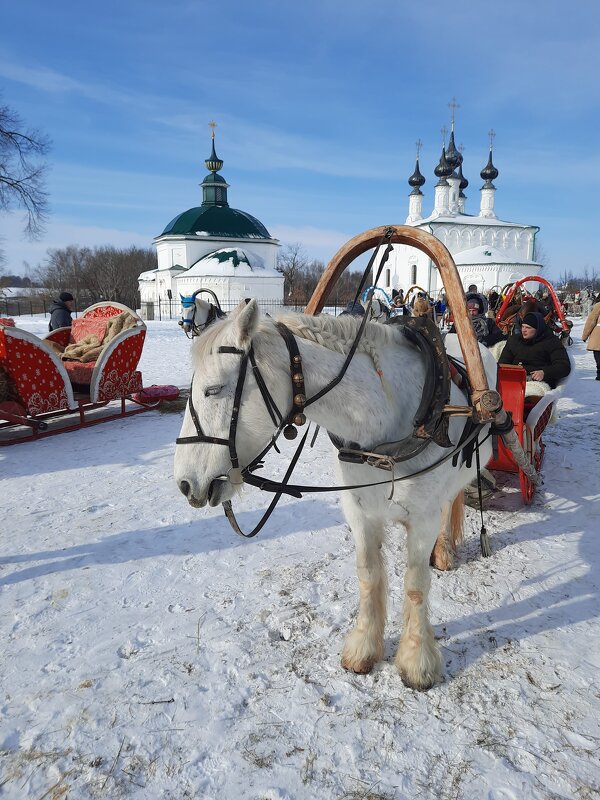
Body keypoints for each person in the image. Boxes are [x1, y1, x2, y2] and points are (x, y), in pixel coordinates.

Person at [499, 311, 571, 389]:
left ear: (537, 329)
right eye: (523, 326)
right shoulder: (514, 340)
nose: (524, 330)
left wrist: (545, 372)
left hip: (540, 383)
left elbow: (564, 366)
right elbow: (503, 363)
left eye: (528, 328)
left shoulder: (551, 342)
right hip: (515, 380)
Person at [582, 300, 600, 380]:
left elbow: (591, 321)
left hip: (598, 336)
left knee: (598, 354)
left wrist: (585, 335)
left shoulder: (598, 306)